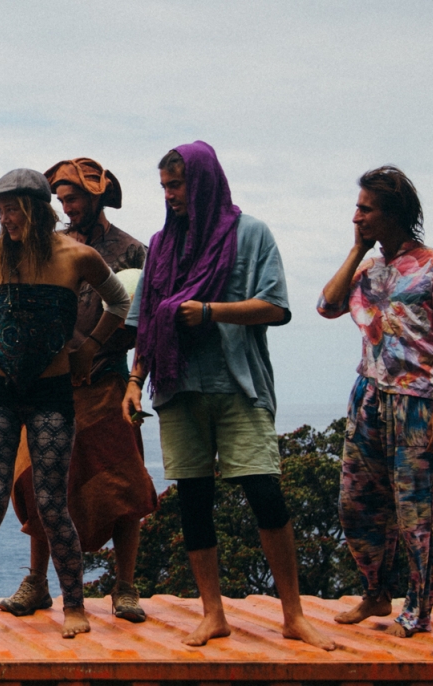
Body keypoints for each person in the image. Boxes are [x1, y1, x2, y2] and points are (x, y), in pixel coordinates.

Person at [122, 141, 336, 650]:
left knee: (265, 492)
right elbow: (146, 323)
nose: (170, 196)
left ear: (202, 181)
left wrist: (211, 311)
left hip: (239, 387)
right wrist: (134, 381)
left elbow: (276, 307)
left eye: (177, 185)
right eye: (165, 188)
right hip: (177, 389)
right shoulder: (162, 245)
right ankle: (212, 614)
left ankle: (293, 614)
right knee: (194, 500)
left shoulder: (251, 234)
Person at [0, 169, 135, 639]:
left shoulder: (77, 256)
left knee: (54, 504)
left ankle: (75, 608)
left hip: (53, 392)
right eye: (0, 209)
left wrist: (92, 347)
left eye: (12, 208)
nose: (5, 218)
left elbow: (119, 303)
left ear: (35, 208)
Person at [0, 159, 160, 623]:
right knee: (37, 480)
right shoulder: (47, 247)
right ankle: (37, 582)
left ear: (97, 196)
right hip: (48, 385)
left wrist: (135, 381)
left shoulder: (133, 252)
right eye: (62, 199)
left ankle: (124, 587)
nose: (68, 207)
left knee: (125, 483)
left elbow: (148, 325)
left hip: (108, 383)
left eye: (75, 199)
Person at [318, 166, 433, 638]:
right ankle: (375, 591)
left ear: (393, 213)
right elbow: (327, 305)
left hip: (418, 401)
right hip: (369, 396)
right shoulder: (367, 268)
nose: (356, 215)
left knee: (417, 513)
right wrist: (359, 247)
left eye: (365, 208)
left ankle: (418, 610)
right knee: (356, 503)